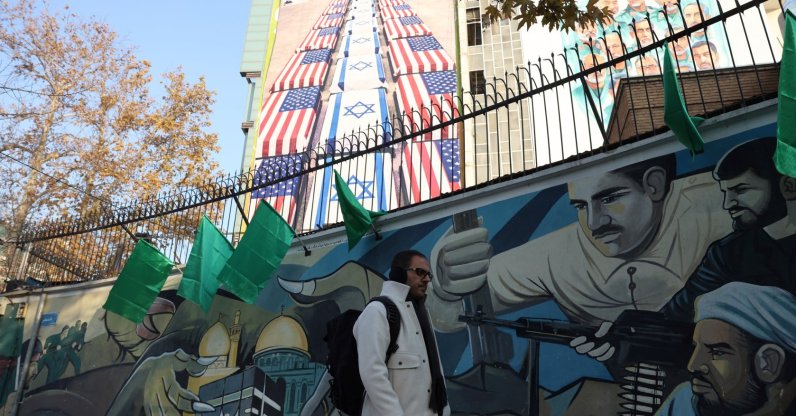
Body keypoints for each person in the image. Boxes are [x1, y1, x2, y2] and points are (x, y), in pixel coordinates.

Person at [429, 154, 731, 329]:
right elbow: (451, 314)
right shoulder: (556, 257)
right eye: (581, 206)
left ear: (654, 185)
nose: (594, 223)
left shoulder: (720, 202)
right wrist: (443, 285)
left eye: (610, 199)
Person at [655, 282, 796, 415]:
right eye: (696, 348)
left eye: (717, 352)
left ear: (768, 363)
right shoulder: (685, 401)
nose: (692, 366)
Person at [353, 250, 450, 416]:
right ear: (399, 274)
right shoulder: (377, 311)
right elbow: (372, 374)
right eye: (420, 272)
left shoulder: (421, 312)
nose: (427, 279)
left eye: (428, 275)